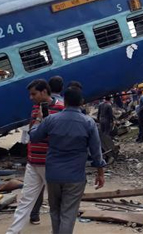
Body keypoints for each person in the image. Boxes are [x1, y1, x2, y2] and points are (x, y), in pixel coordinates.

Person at [30, 87, 106, 233]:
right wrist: (100, 173)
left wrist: (39, 119)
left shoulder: (51, 119)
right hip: (75, 176)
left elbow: (34, 137)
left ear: (64, 102)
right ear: (82, 102)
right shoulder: (88, 123)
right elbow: (96, 152)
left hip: (53, 175)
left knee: (55, 211)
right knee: (68, 213)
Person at [6, 80, 64, 233]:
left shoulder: (60, 109)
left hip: (49, 163)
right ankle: (13, 231)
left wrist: (43, 121)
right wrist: (38, 119)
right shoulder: (35, 108)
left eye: (34, 94)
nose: (31, 97)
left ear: (44, 92)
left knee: (54, 201)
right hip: (33, 162)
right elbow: (33, 132)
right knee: (26, 199)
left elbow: (58, 136)